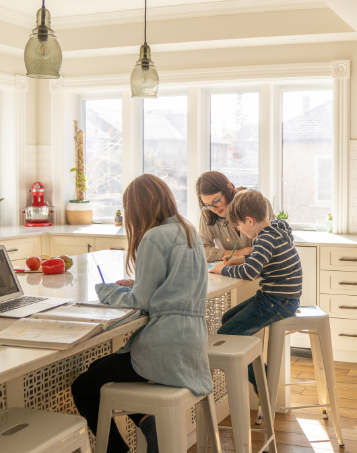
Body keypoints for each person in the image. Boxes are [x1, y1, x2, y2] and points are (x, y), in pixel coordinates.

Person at [71, 174, 212, 453]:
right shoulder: (187, 229)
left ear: (136, 208)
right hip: (191, 344)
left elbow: (142, 301)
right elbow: (175, 283)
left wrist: (107, 291)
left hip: (164, 347)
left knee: (85, 386)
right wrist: (139, 281)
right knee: (101, 372)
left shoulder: (153, 237)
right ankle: (149, 422)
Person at [208, 189, 301, 391]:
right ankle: (261, 375)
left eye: (239, 226)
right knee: (226, 320)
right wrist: (240, 258)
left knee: (226, 333)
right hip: (279, 298)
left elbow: (250, 273)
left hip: (277, 302)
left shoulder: (264, 239)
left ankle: (264, 382)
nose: (240, 231)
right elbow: (265, 260)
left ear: (249, 221)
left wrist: (223, 269)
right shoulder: (275, 231)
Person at [196, 171, 275, 263]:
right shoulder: (207, 214)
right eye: (207, 204)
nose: (213, 208)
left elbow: (269, 247)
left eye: (216, 200)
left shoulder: (258, 204)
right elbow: (202, 250)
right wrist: (237, 254)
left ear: (228, 188)